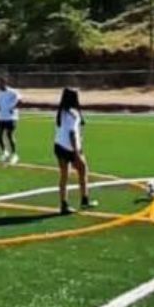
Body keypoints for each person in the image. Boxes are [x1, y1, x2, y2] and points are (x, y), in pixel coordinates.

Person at [53, 87, 92, 215]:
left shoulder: (61, 112)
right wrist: (76, 153)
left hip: (59, 146)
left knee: (64, 175)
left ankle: (64, 204)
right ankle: (84, 199)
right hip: (70, 148)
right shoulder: (73, 114)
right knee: (83, 169)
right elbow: (72, 134)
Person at [0, 78, 22, 164]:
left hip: (11, 117)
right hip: (0, 117)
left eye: (1, 83)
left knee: (10, 135)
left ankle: (14, 154)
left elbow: (20, 101)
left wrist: (12, 108)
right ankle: (5, 152)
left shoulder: (13, 92)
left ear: (5, 83)